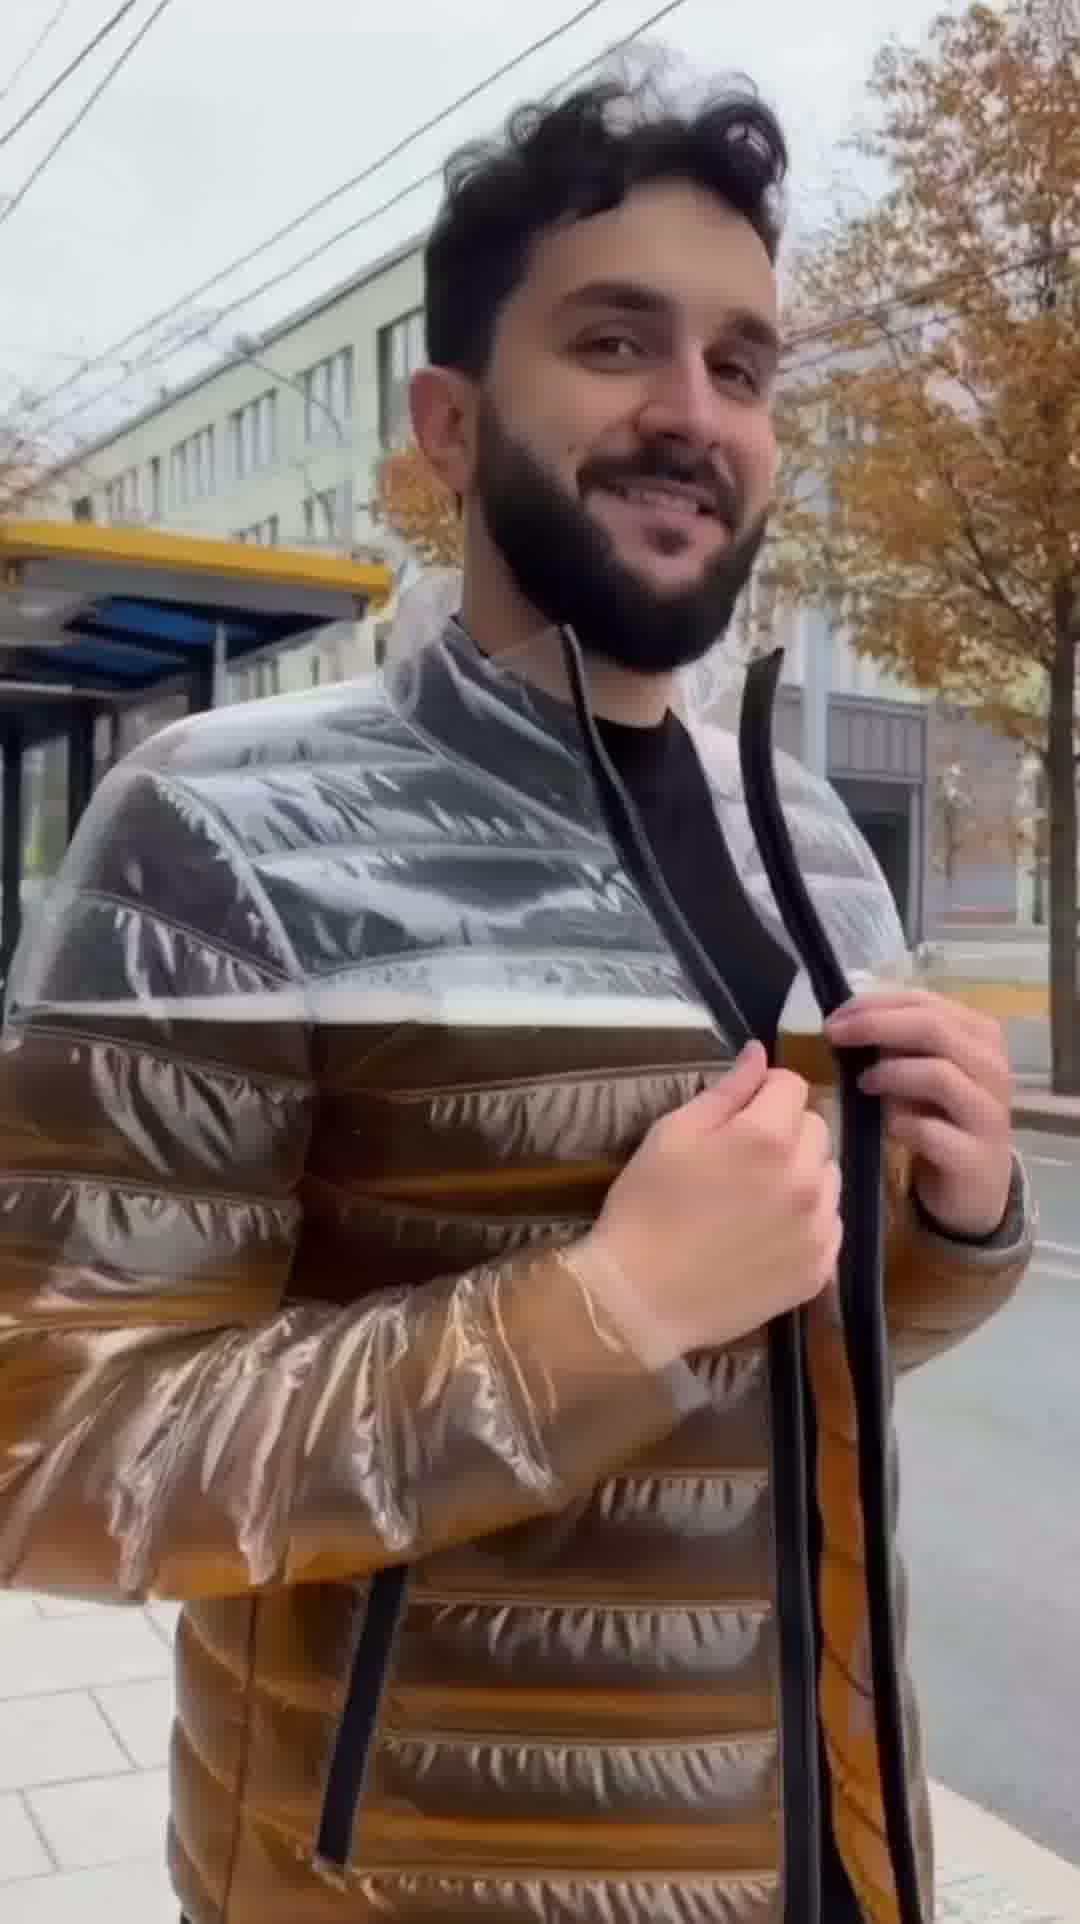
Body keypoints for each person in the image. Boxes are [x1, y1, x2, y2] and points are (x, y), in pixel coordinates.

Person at [0, 75, 1031, 1924]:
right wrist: (612, 1305)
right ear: (450, 424)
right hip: (406, 1881)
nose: (692, 411)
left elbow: (783, 1333)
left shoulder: (809, 836)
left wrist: (952, 1227)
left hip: (823, 1853)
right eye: (616, 341)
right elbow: (59, 1458)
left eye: (742, 363)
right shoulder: (223, 829)